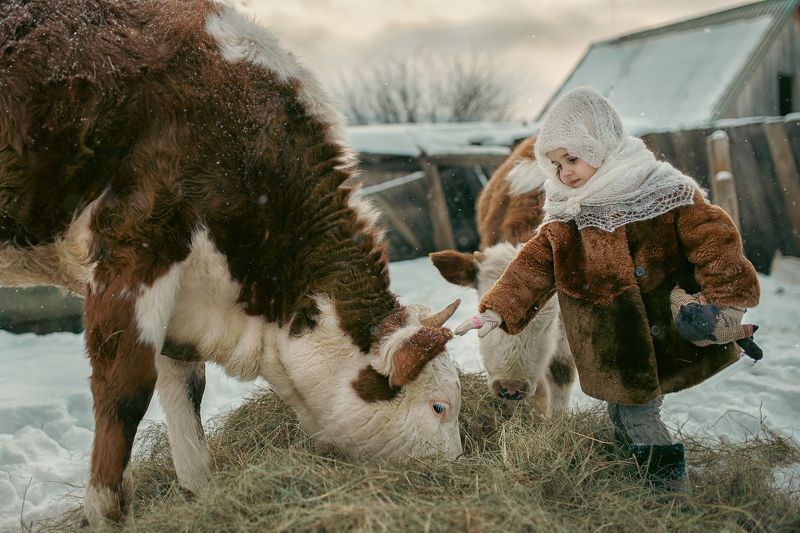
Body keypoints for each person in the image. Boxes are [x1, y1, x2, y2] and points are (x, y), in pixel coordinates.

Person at [455, 87, 761, 490]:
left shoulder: (665, 192)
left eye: (572, 159)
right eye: (555, 165)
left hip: (661, 331)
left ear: (600, 144)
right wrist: (497, 308)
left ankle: (668, 495)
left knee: (638, 417)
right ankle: (636, 477)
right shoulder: (567, 212)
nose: (565, 173)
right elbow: (530, 266)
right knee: (622, 415)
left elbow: (715, 241)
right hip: (612, 343)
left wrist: (725, 301)